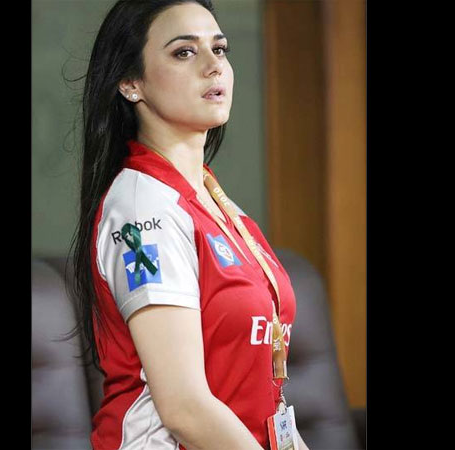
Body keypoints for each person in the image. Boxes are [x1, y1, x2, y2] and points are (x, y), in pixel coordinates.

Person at [67, 1, 309, 449]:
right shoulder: (143, 211)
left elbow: (265, 401)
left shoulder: (221, 207)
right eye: (184, 52)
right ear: (131, 82)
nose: (213, 65)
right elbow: (185, 409)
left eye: (220, 48)